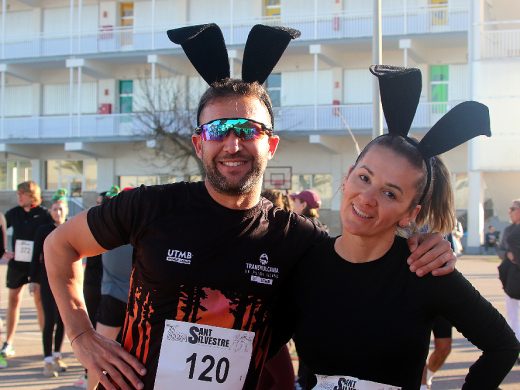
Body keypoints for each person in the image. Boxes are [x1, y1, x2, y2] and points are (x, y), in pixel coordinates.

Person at [45, 25, 456, 390]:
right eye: (218, 130)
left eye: (249, 130)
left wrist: (422, 242)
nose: (233, 144)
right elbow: (60, 245)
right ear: (199, 143)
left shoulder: (298, 239)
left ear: (271, 144)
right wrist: (82, 336)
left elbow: (363, 261)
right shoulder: (150, 206)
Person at [270, 65, 519, 389]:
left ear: (409, 214)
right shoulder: (305, 263)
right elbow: (264, 345)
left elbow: (503, 346)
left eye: (390, 193)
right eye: (364, 177)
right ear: (348, 176)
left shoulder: (424, 270)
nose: (368, 198)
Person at [1, 180, 52, 358]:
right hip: (17, 264)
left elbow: (51, 235)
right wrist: (3, 251)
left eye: (21, 194)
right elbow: (1, 226)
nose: (18, 197)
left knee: (39, 302)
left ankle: (47, 345)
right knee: (13, 300)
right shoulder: (14, 213)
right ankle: (8, 343)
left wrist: (44, 254)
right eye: (17, 194)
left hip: (36, 266)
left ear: (31, 195)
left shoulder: (44, 214)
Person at [29, 189, 69, 377]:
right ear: (50, 211)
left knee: (63, 320)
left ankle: (56, 355)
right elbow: (35, 255)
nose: (58, 213)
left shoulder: (70, 228)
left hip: (67, 282)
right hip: (47, 281)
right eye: (55, 209)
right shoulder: (43, 230)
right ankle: (47, 361)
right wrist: (33, 280)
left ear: (66, 210)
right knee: (50, 321)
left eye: (61, 209)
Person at [497, 199, 520, 343]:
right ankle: (516, 343)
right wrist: (508, 255)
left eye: (513, 209)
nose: (510, 212)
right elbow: (500, 250)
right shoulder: (508, 230)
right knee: (512, 313)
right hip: (512, 277)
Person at [420, 317, 452, 389]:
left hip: (440, 309)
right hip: (415, 308)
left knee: (444, 348)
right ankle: (422, 385)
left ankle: (428, 375)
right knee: (419, 348)